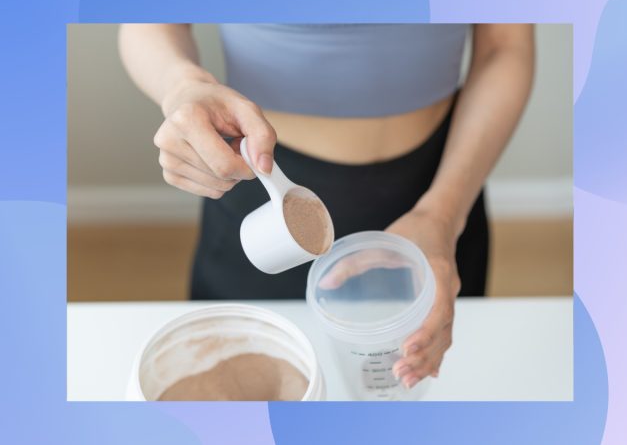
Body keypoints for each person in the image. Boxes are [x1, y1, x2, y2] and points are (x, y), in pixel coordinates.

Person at [119, 23, 534, 389]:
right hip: (255, 180)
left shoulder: (443, 211)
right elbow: (146, 23)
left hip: (442, 187)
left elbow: (505, 44)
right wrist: (184, 87)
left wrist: (443, 215)